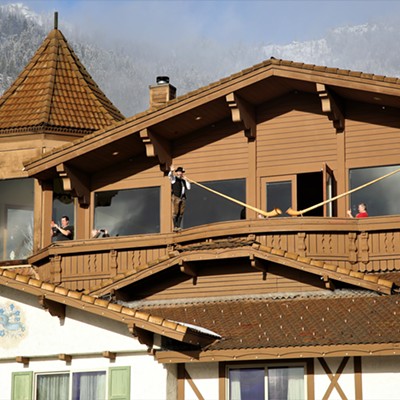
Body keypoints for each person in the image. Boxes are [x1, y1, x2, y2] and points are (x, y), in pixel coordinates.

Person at [168, 165, 191, 232]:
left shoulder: (183, 180)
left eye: (181, 172)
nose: (180, 173)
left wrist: (186, 180)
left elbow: (189, 187)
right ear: (177, 172)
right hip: (176, 197)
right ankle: (175, 226)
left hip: (182, 198)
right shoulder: (174, 178)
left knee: (181, 212)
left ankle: (178, 226)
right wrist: (171, 171)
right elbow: (170, 176)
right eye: (179, 172)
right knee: (176, 212)